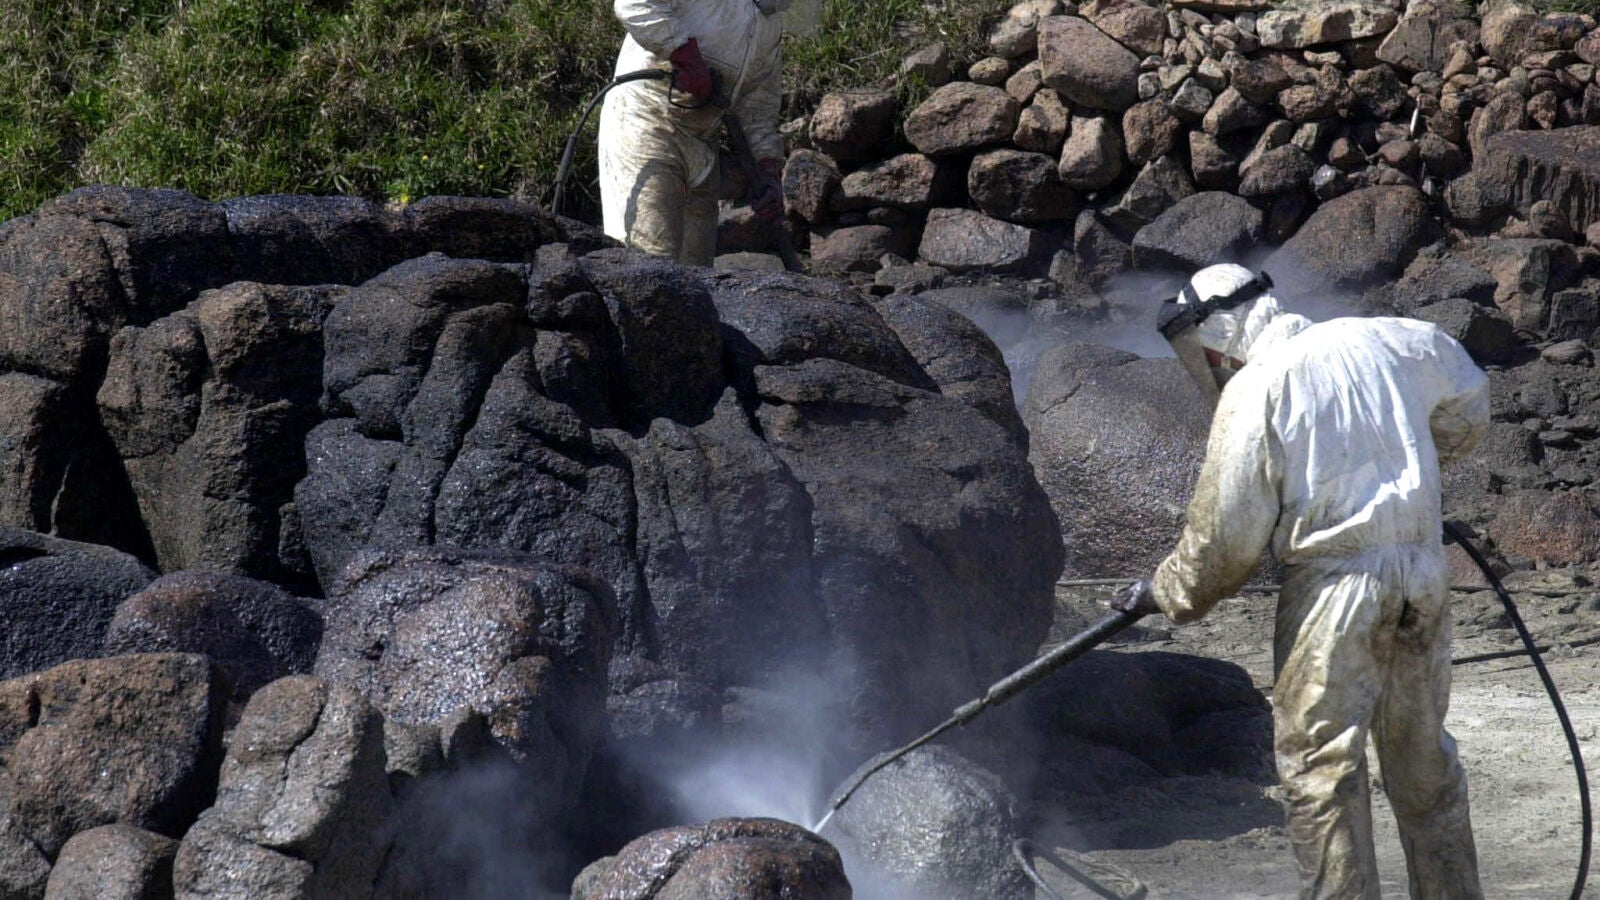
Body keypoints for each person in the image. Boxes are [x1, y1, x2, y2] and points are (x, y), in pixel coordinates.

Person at [1109, 263, 1491, 899]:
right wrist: (1408, 477)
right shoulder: (1391, 338)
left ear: (1220, 330)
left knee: (1321, 773)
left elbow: (1222, 545)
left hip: (1334, 590)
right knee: (1423, 762)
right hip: (1422, 574)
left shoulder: (1258, 388)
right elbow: (1469, 402)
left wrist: (1164, 592)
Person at [597, 0, 788, 266]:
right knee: (646, 265)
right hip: (646, 123)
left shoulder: (767, 25)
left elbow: (758, 107)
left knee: (696, 278)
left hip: (701, 142)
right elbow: (634, 4)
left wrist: (767, 169)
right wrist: (682, 52)